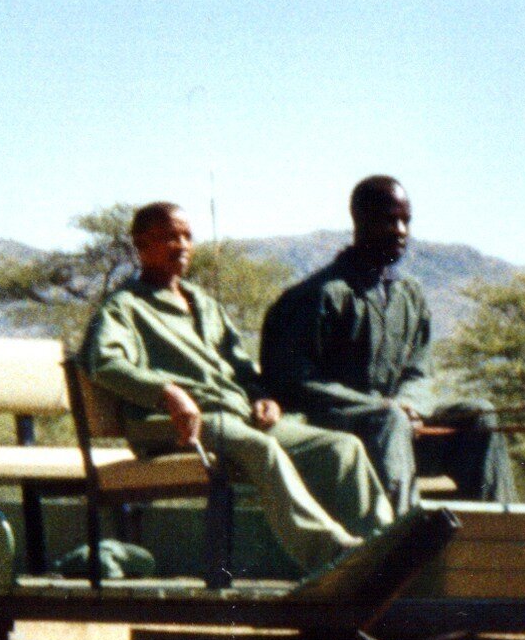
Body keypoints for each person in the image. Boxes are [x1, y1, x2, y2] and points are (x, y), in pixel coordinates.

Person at [85, 202, 392, 570]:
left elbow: (241, 367)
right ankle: (334, 553)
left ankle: (385, 547)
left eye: (187, 236)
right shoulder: (125, 306)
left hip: (235, 416)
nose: (181, 245)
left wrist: (262, 396)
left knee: (341, 448)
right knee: (261, 449)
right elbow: (104, 362)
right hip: (174, 422)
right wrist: (167, 392)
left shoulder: (205, 304)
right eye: (169, 237)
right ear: (141, 245)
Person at [262, 175, 516, 510]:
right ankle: (399, 538)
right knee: (390, 420)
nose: (401, 231)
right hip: (336, 434)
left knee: (479, 416)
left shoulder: (409, 295)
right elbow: (291, 382)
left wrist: (411, 405)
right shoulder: (317, 296)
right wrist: (381, 409)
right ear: (360, 220)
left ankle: (496, 538)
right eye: (389, 220)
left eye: (405, 221)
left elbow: (419, 371)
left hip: (399, 430)